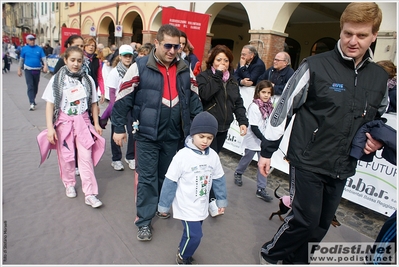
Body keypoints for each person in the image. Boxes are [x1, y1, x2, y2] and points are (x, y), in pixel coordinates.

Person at [258, 3, 389, 264]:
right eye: (347, 33)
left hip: (342, 163)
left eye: (361, 35)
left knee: (321, 224)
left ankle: (298, 260)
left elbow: (378, 117)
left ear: (374, 35)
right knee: (304, 220)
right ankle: (271, 255)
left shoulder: (379, 77)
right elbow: (283, 108)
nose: (353, 41)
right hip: (307, 158)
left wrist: (375, 139)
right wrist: (266, 151)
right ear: (341, 30)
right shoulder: (315, 65)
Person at [111, 24, 203, 241]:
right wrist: (117, 128)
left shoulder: (184, 68)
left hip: (174, 135)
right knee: (147, 178)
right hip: (146, 135)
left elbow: (194, 98)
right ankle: (143, 221)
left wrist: (199, 129)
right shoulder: (140, 66)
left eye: (177, 47)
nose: (172, 51)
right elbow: (123, 98)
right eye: (168, 46)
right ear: (157, 44)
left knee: (167, 176)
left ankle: (161, 205)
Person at [157, 111, 227, 265]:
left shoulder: (213, 156)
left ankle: (184, 250)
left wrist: (221, 201)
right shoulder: (182, 156)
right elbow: (170, 182)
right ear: (193, 134)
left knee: (190, 234)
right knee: (196, 235)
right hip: (186, 204)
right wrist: (164, 205)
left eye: (209, 138)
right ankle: (183, 256)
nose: (205, 141)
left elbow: (218, 179)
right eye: (201, 136)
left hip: (201, 203)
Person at [39, 46, 105, 208]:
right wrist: (50, 127)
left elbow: (94, 103)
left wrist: (96, 123)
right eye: (72, 60)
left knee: (86, 157)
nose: (76, 64)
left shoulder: (87, 79)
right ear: (66, 60)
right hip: (64, 123)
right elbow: (50, 104)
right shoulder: (58, 79)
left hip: (83, 123)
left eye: (79, 60)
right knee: (66, 157)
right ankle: (69, 183)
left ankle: (90, 193)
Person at [196, 44, 248, 154]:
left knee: (214, 156)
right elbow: (205, 94)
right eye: (219, 60)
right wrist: (218, 75)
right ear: (212, 61)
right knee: (207, 156)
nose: (222, 63)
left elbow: (237, 102)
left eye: (226, 60)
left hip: (224, 127)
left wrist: (242, 121)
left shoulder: (232, 80)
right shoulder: (204, 77)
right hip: (208, 126)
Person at [234, 80, 274, 202]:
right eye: (263, 92)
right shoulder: (254, 107)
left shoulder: (270, 106)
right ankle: (238, 173)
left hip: (264, 140)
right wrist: (264, 139)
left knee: (263, 164)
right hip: (253, 139)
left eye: (269, 92)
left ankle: (261, 189)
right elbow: (255, 127)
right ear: (258, 92)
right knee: (247, 159)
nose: (266, 95)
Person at [100, 45, 136, 170]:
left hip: (132, 107)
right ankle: (116, 159)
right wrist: (115, 109)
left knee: (133, 132)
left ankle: (130, 156)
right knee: (117, 132)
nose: (127, 58)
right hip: (119, 107)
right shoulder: (114, 73)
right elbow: (112, 94)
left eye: (130, 55)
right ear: (120, 56)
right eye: (125, 55)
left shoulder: (135, 70)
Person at [17, 34, 48, 111]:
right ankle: (31, 102)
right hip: (28, 69)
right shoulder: (24, 49)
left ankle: (33, 98)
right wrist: (19, 69)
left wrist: (45, 66)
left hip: (37, 69)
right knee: (30, 86)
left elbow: (44, 58)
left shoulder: (39, 49)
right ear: (27, 41)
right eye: (30, 40)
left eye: (33, 39)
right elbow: (21, 60)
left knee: (35, 86)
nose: (32, 41)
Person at [83, 37, 105, 104]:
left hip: (93, 90)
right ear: (84, 46)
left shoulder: (97, 60)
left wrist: (102, 92)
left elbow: (99, 77)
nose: (91, 47)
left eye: (93, 45)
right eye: (88, 45)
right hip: (82, 90)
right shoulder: (80, 58)